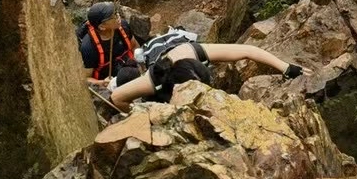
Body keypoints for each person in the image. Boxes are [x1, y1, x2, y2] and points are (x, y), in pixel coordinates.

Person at [109, 34, 302, 109]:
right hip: (159, 91)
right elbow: (117, 97)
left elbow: (247, 50)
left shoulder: (193, 51)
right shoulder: (154, 80)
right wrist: (139, 114)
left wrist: (286, 67)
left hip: (178, 54)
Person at [78, 2, 142, 82]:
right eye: (113, 16)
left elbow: (135, 46)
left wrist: (141, 64)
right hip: (108, 80)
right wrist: (100, 83)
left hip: (128, 67)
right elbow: (87, 78)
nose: (118, 16)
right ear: (102, 27)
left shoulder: (123, 26)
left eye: (116, 12)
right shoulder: (89, 47)